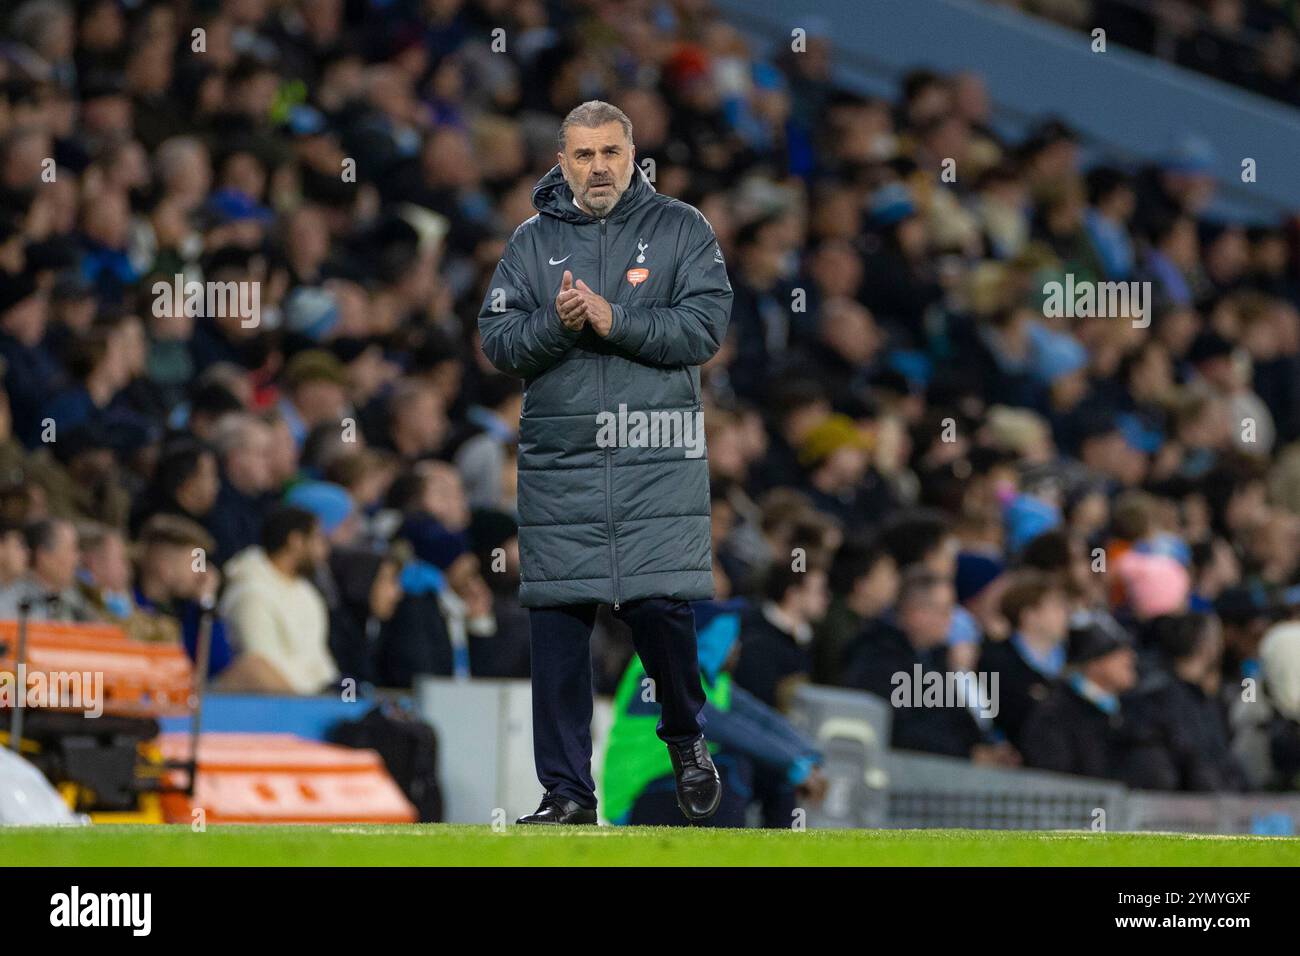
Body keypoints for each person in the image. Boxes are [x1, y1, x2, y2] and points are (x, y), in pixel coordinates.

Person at [477, 100, 732, 825]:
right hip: (563, 461)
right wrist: (556, 326)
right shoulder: (530, 244)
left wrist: (613, 319)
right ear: (562, 162)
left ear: (632, 155)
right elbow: (498, 341)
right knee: (557, 625)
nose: (597, 168)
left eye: (610, 153)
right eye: (583, 155)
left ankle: (685, 738)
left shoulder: (683, 229)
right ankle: (566, 794)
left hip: (655, 459)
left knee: (660, 611)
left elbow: (705, 327)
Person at [217, 505, 338, 694]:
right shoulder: (250, 592)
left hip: (313, 700)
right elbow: (262, 668)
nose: (325, 550)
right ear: (295, 541)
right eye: (318, 539)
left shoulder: (307, 593)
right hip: (270, 708)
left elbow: (320, 661)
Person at [1019, 614, 1139, 780]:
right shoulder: (1055, 716)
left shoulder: (1132, 708)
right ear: (1093, 663)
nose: (1130, 657)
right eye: (1117, 652)